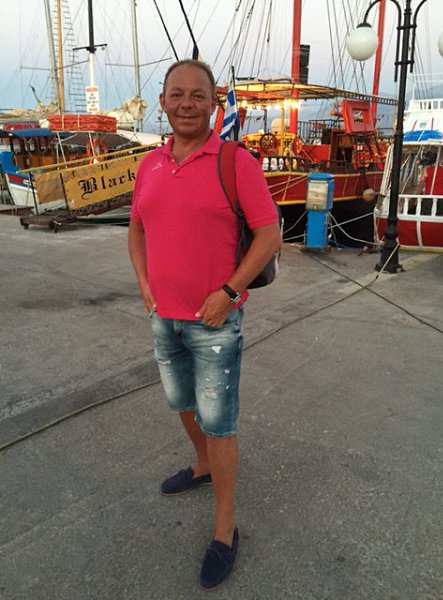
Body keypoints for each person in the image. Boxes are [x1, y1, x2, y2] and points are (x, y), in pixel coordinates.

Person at [128, 59, 281, 591]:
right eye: (177, 94)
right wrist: (145, 285)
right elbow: (137, 229)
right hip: (163, 317)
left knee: (219, 422)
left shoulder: (236, 162)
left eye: (198, 95)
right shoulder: (149, 165)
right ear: (163, 102)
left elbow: (269, 235)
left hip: (215, 321)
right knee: (181, 403)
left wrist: (229, 293)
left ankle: (224, 528)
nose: (186, 104)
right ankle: (202, 465)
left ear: (213, 103)